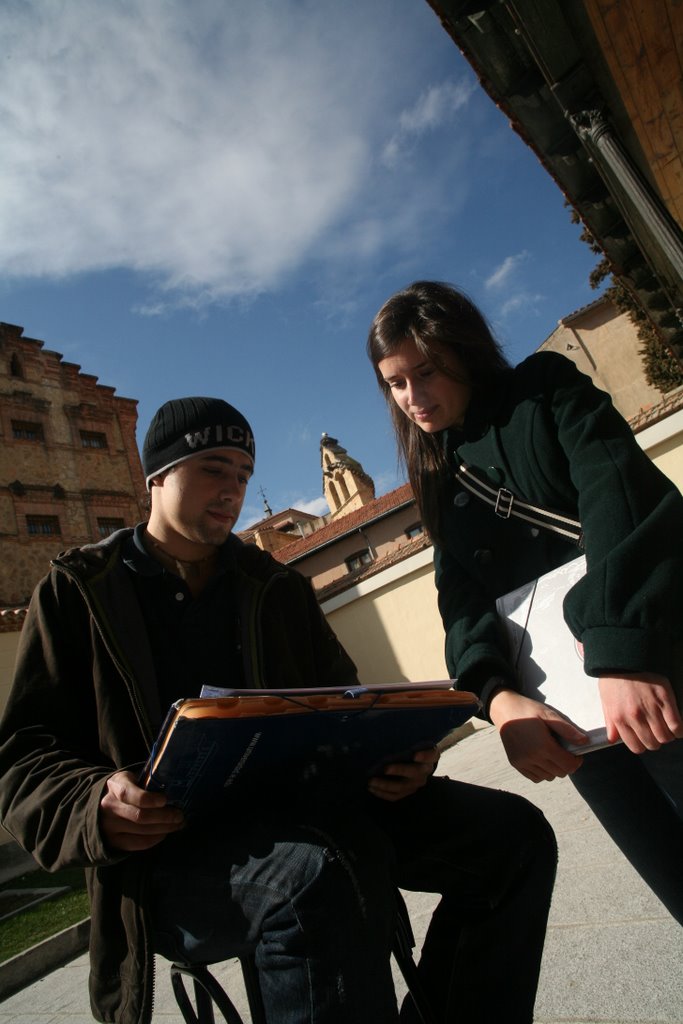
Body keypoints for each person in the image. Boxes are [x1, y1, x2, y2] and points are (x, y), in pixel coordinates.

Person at [0, 395, 557, 1024]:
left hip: (317, 810)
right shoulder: (78, 592)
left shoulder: (277, 587)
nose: (232, 490)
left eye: (242, 474)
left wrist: (398, 756)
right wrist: (92, 806)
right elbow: (23, 757)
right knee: (311, 880)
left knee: (515, 838)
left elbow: (346, 703)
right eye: (212, 467)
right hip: (170, 860)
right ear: (156, 475)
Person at [367, 279, 683, 927]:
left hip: (653, 665)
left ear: (463, 348)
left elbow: (619, 498)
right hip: (570, 720)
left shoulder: (541, 388)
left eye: (424, 372)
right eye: (395, 384)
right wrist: (498, 699)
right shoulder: (437, 472)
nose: (412, 398)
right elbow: (460, 603)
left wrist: (621, 653)